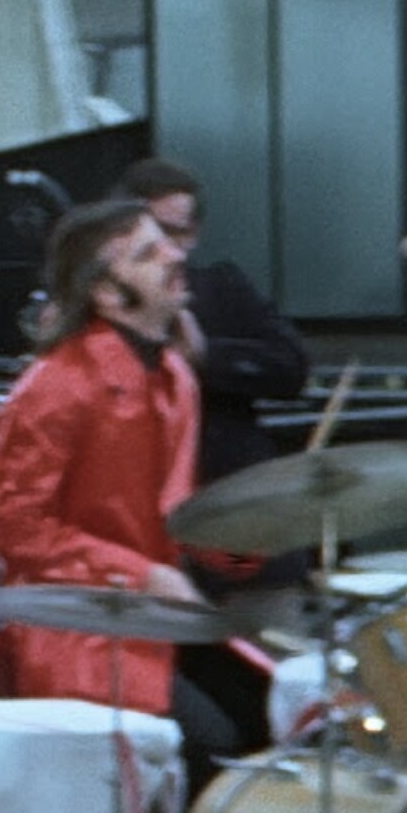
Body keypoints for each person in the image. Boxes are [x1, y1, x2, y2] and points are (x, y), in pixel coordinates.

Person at [0, 200, 243, 796]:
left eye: (168, 243)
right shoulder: (57, 385)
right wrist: (142, 574)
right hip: (75, 633)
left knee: (274, 713)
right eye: (149, 253)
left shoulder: (174, 374)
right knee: (209, 744)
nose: (177, 256)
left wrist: (253, 547)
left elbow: (174, 511)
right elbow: (13, 527)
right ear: (105, 293)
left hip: (154, 619)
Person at [116, 158, 312, 750]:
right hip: (157, 545)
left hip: (240, 524)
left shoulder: (220, 287)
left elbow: (290, 367)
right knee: (186, 718)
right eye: (152, 235)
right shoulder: (107, 315)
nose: (168, 251)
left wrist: (208, 354)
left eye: (178, 235)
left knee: (275, 686)